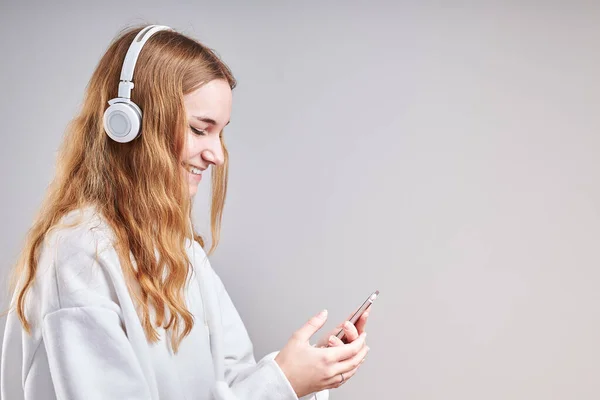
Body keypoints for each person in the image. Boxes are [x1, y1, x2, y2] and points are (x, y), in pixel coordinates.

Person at [0, 24, 371, 400]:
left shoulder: (181, 251)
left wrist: (306, 374)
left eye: (220, 133)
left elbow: (234, 383)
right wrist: (283, 383)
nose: (217, 154)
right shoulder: (79, 257)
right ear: (129, 125)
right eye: (199, 129)